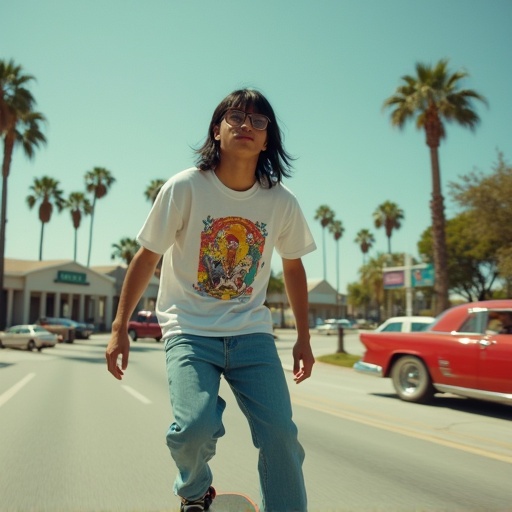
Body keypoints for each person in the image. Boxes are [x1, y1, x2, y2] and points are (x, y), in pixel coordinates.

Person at [105, 88, 316, 512]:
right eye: (236, 117)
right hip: (189, 329)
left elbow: (293, 268)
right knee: (193, 428)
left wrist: (304, 338)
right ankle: (195, 492)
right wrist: (118, 328)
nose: (246, 126)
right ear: (217, 130)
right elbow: (147, 257)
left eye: (259, 121)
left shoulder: (281, 202)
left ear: (268, 138)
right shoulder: (185, 187)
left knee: (281, 435)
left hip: (251, 333)